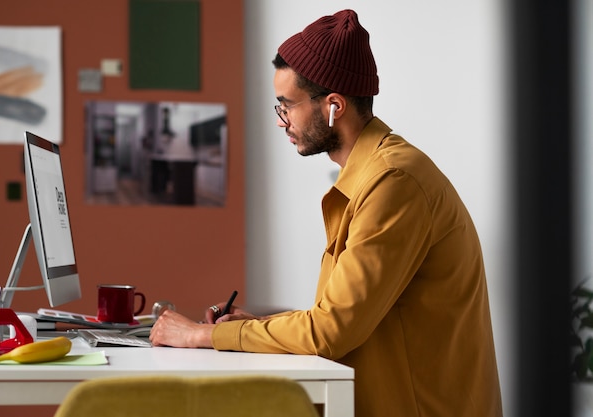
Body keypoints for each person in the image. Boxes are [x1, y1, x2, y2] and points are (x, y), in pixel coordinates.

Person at [150, 9, 503, 417]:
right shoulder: (373, 173)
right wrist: (236, 329)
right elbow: (339, 317)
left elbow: (331, 331)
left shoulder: (393, 183)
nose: (282, 122)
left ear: (334, 105)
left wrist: (202, 337)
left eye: (287, 106)